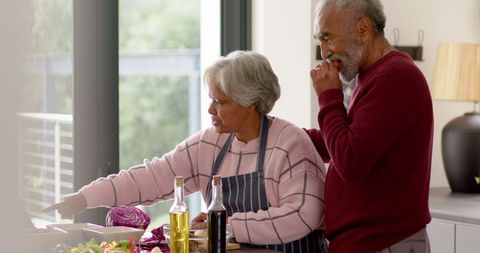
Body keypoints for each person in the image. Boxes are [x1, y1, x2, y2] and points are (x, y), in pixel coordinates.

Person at [45, 50, 328, 253]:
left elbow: (303, 216)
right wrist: (85, 197)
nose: (210, 110)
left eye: (220, 101)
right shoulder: (211, 143)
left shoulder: (290, 144)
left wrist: (224, 226)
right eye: (210, 100)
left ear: (251, 103)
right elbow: (154, 177)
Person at [306, 0, 433, 252]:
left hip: (383, 243)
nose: (324, 52)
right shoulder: (374, 75)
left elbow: (350, 160)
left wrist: (329, 97)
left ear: (363, 29)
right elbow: (344, 141)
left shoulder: (394, 77)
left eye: (327, 37)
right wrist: (283, 135)